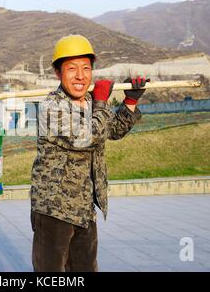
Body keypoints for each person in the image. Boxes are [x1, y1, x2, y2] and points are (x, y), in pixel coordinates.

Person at [30, 35, 148, 272]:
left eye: (86, 68)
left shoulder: (90, 102)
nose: (80, 76)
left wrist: (130, 102)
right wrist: (102, 102)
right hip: (54, 209)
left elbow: (111, 131)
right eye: (71, 69)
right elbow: (87, 137)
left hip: (84, 208)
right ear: (57, 73)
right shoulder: (51, 107)